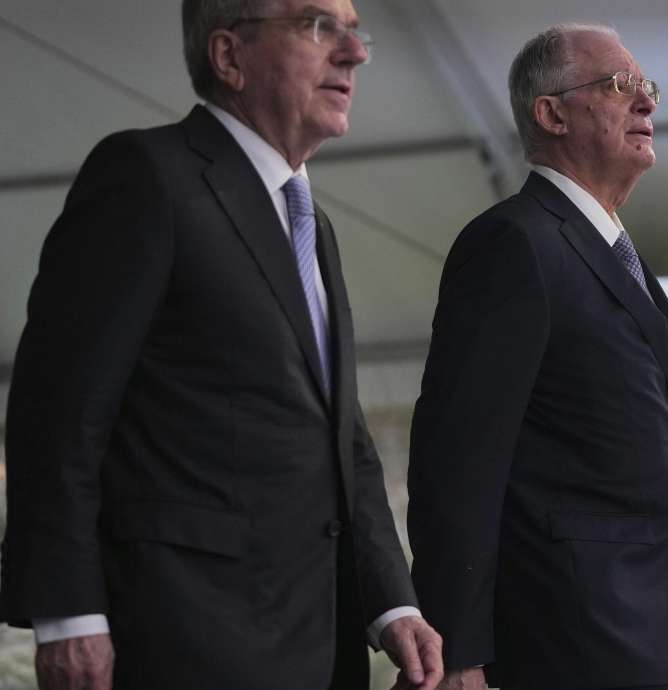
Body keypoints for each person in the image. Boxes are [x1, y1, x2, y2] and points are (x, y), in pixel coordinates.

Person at [0, 1, 443, 688]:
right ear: (230, 56)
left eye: (355, 32)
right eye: (318, 26)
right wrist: (70, 612)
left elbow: (341, 437)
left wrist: (393, 603)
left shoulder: (311, 222)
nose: (354, 53)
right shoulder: (145, 176)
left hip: (321, 643)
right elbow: (57, 407)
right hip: (187, 636)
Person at [406, 23, 668, 690]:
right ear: (552, 113)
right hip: (571, 643)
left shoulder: (612, 253)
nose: (647, 101)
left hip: (644, 642)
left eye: (646, 86)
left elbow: (666, 456)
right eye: (620, 85)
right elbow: (456, 463)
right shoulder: (513, 244)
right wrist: (457, 649)